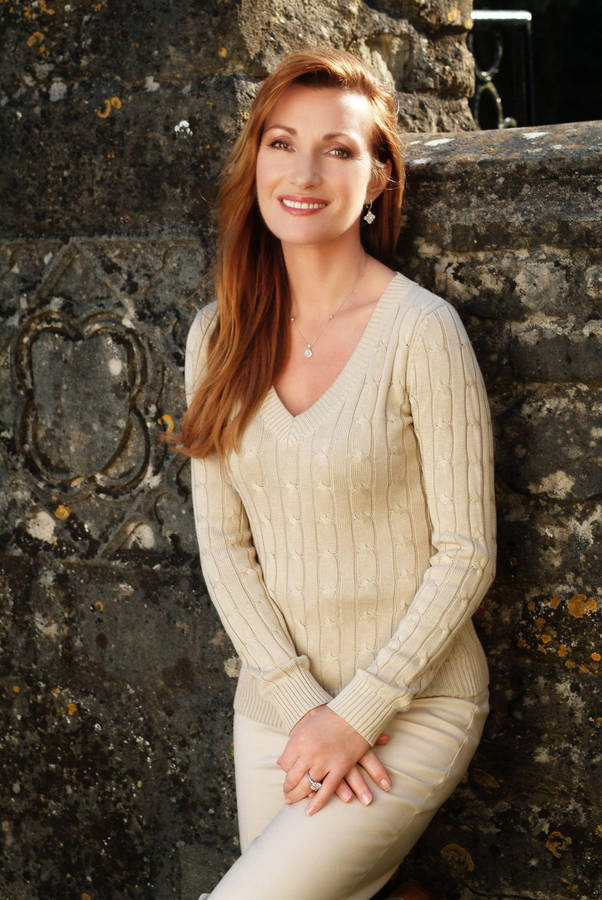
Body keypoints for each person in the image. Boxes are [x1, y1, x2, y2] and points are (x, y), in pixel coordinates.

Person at [174, 47, 496, 900]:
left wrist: (355, 716)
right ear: (256, 161)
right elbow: (224, 546)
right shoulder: (217, 336)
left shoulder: (423, 331)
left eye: (339, 149)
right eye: (282, 143)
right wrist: (302, 710)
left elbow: (467, 553)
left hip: (414, 705)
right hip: (276, 710)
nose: (304, 173)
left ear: (380, 178)